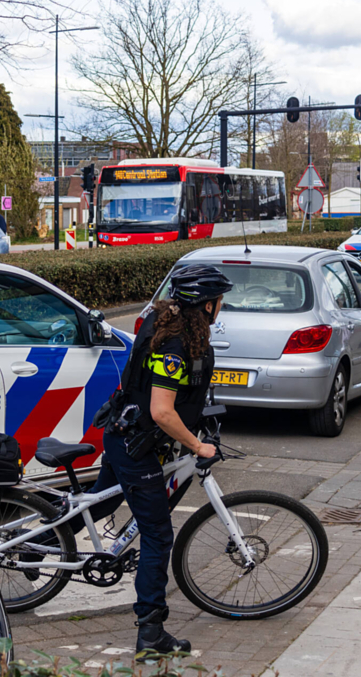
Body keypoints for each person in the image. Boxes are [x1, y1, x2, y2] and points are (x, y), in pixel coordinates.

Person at [94, 264, 233, 654]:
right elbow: (162, 411)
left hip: (125, 435)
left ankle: (32, 546)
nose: (221, 307)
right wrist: (197, 445)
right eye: (219, 301)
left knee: (98, 502)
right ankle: (151, 632)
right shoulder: (174, 345)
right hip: (135, 444)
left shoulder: (164, 324)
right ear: (206, 306)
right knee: (157, 534)